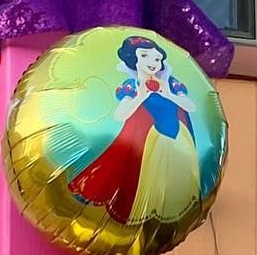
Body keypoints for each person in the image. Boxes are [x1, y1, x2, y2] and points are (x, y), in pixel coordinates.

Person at [67, 35, 202, 226]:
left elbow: (191, 107)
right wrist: (140, 96)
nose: (153, 63)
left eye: (157, 58)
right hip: (151, 141)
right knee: (148, 179)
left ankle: (171, 208)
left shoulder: (170, 83)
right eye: (145, 56)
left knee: (180, 181)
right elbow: (120, 114)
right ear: (134, 60)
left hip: (179, 137)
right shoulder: (132, 86)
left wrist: (170, 94)